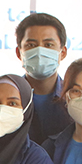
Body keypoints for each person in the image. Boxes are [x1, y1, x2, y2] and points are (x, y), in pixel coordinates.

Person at [13, 13, 73, 143]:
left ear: (62, 52)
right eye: (31, 45)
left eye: (48, 45)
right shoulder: (7, 98)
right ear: (19, 53)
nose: (40, 51)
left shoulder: (75, 98)